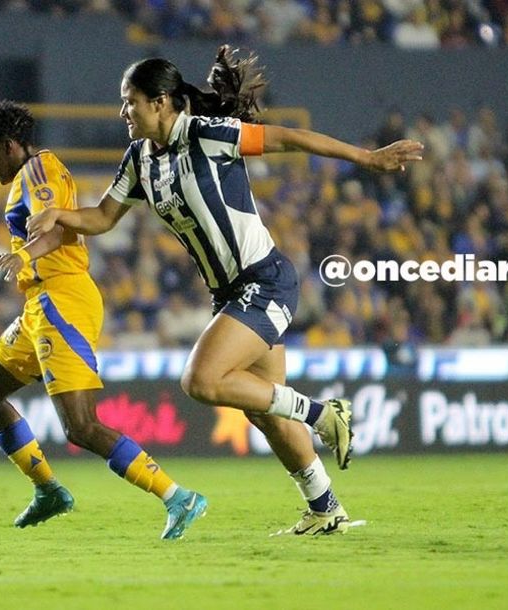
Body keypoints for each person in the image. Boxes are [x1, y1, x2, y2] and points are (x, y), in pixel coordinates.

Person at [27, 46, 424, 536]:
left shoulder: (208, 135)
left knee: (200, 380)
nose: (123, 112)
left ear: (161, 102)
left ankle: (324, 414)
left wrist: (366, 157)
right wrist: (59, 215)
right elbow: (103, 218)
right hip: (230, 294)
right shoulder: (139, 159)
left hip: (265, 280)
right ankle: (325, 509)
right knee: (265, 412)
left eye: (130, 102)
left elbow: (288, 138)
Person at [0, 101, 207, 539]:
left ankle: (177, 496)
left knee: (81, 427)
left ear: (9, 145)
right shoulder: (29, 175)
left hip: (63, 301)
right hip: (40, 303)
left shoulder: (38, 172)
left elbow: (56, 227)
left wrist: (22, 254)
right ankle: (49, 491)